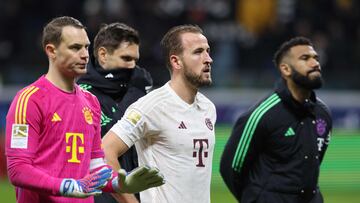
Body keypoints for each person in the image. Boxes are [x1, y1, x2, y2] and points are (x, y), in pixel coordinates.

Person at [5, 16, 164, 203]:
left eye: (86, 47)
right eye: (75, 47)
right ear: (51, 50)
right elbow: (18, 170)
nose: (85, 55)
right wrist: (68, 186)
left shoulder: (91, 102)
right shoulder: (30, 100)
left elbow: (96, 166)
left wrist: (118, 184)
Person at [102, 25, 216, 203]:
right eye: (198, 52)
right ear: (176, 62)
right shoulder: (151, 107)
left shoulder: (208, 108)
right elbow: (105, 151)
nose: (208, 59)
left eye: (208, 51)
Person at [220, 37, 332, 203]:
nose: (315, 63)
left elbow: (312, 164)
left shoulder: (323, 114)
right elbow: (230, 167)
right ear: (285, 69)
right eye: (305, 58)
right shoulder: (263, 114)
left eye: (316, 58)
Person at [77, 22, 152, 203]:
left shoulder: (141, 88)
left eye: (135, 60)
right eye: (126, 58)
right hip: (100, 196)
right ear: (103, 55)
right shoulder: (82, 94)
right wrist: (136, 94)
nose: (133, 66)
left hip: (142, 192)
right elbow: (109, 138)